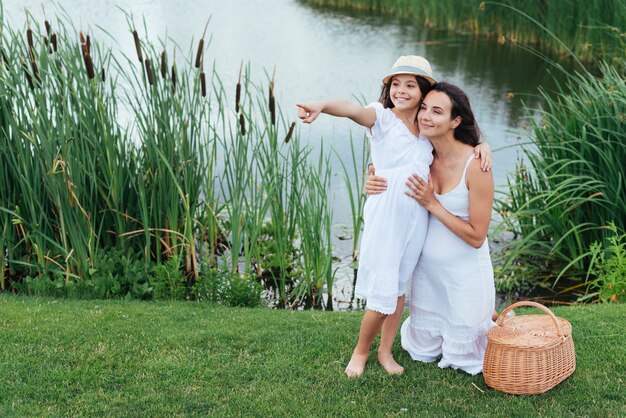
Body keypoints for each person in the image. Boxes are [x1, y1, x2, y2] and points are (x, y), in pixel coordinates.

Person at [296, 56, 491, 377]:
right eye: (395, 84)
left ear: (424, 92)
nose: (401, 91)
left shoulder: (426, 128)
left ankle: (385, 352)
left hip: (416, 220)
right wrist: (321, 104)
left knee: (400, 290)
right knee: (383, 292)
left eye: (410, 85)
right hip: (387, 217)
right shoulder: (382, 119)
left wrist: (483, 144)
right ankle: (360, 353)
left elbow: (456, 136)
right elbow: (352, 108)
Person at [366, 81, 496, 375]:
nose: (425, 116)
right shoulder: (424, 155)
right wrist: (373, 180)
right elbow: (389, 168)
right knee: (421, 351)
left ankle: (485, 316)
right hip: (427, 277)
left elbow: (477, 237)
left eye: (437, 112)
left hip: (464, 275)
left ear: (456, 121)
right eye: (424, 108)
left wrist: (432, 203)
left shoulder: (476, 165)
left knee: (466, 359)